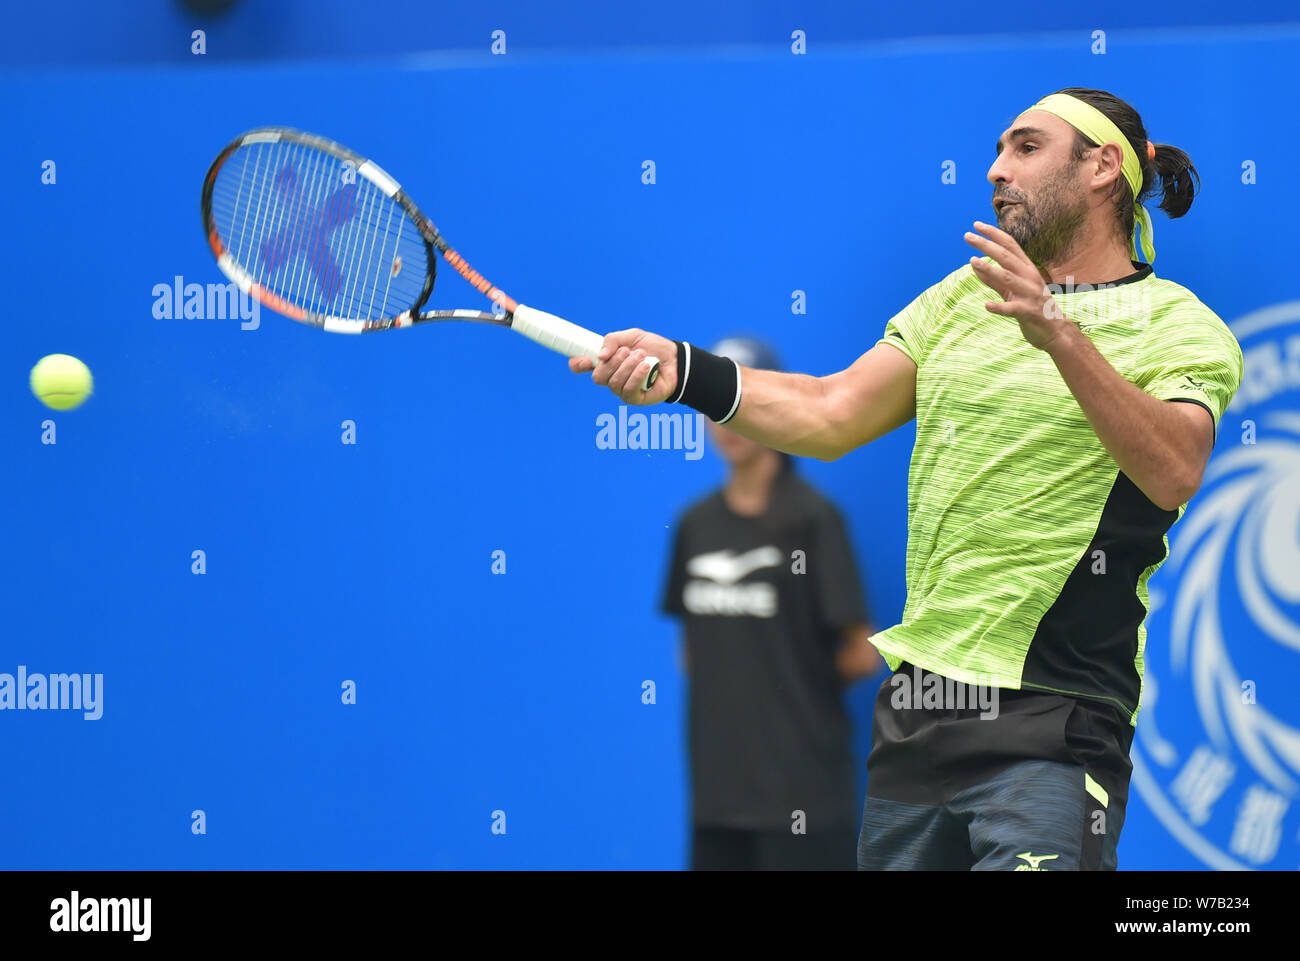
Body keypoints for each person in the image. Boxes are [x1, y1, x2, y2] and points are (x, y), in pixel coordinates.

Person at [572, 88, 1244, 870]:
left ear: (1101, 168)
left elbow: (1173, 469)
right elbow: (831, 412)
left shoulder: (1180, 327)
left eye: (1026, 147)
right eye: (997, 150)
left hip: (1056, 720)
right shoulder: (961, 298)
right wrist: (686, 372)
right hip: (919, 715)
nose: (996, 169)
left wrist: (1059, 332)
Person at [661, 337, 881, 871]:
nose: (724, 421)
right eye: (711, 406)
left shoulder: (814, 520)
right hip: (717, 803)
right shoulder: (695, 525)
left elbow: (860, 653)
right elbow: (691, 652)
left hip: (804, 801)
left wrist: (784, 684)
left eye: (732, 401)